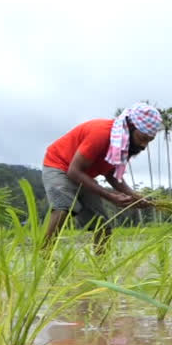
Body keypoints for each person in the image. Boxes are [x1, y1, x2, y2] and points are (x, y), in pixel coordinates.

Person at [42, 102, 161, 250]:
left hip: (82, 173)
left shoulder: (124, 144)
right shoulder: (101, 133)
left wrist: (133, 196)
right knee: (63, 207)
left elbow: (111, 173)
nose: (144, 146)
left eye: (149, 141)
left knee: (102, 225)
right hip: (59, 165)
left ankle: (102, 268)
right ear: (130, 126)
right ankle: (44, 255)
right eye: (142, 138)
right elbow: (73, 171)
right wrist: (110, 197)